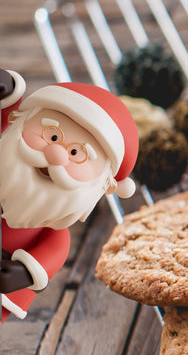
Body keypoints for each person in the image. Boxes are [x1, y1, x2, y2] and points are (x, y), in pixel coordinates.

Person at [0, 70, 138, 321]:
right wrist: (8, 90)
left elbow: (53, 252)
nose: (56, 155)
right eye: (52, 136)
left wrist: (24, 272)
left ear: (101, 184)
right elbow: (5, 113)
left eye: (77, 154)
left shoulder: (51, 231)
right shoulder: (7, 149)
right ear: (21, 122)